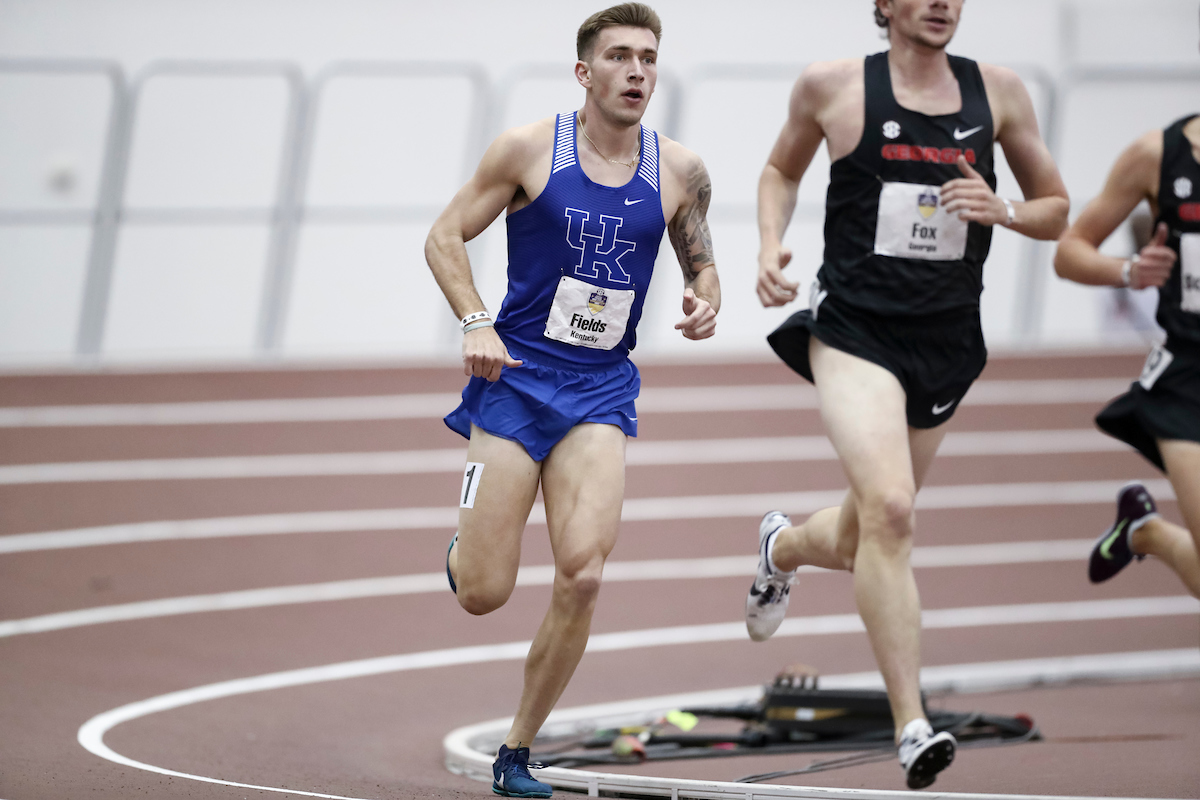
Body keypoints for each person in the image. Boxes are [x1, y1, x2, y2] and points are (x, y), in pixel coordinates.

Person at [744, 0, 1068, 789]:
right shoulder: (834, 87)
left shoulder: (1001, 93)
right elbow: (781, 169)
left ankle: (782, 547)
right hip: (855, 330)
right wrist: (768, 242)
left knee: (863, 538)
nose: (940, 3)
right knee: (892, 510)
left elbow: (1058, 210)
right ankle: (911, 724)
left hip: (947, 340)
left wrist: (1007, 211)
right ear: (883, 6)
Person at [425, 4, 719, 797]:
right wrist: (476, 321)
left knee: (582, 575)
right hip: (515, 381)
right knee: (485, 594)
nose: (637, 71)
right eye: (620, 57)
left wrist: (705, 296)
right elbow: (444, 236)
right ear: (585, 73)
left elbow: (701, 260)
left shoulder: (681, 170)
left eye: (649, 58)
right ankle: (463, 552)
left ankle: (517, 750)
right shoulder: (528, 149)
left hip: (600, 390)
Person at [1053, 113, 1200, 601]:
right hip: (1188, 384)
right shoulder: (1157, 154)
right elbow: (1069, 252)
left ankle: (1147, 532)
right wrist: (1131, 270)